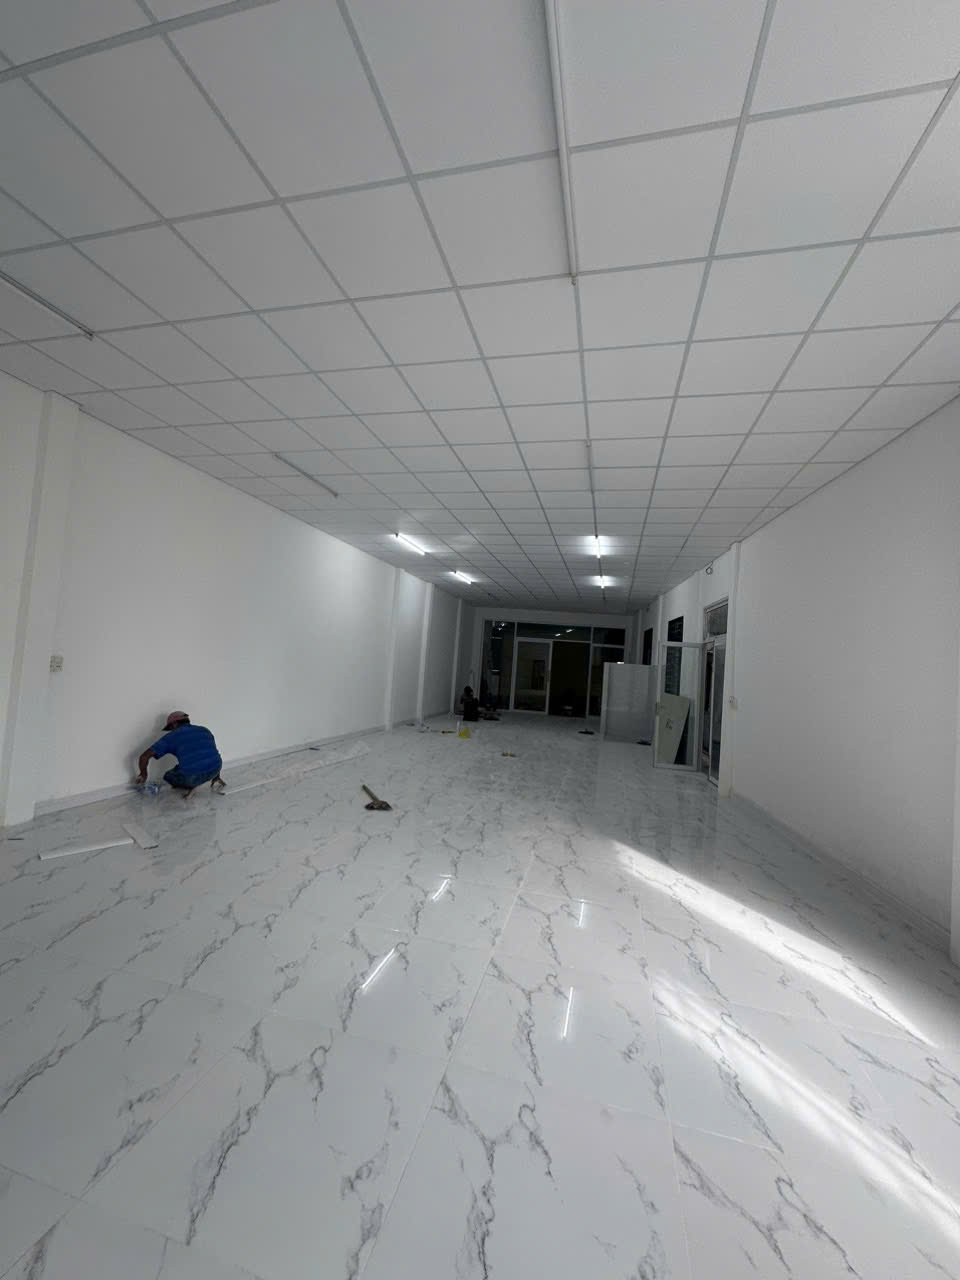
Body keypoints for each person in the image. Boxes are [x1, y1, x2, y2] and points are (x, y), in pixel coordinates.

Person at [136, 711, 224, 797]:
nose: (171, 730)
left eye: (170, 728)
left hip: (191, 778)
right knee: (179, 767)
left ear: (174, 724)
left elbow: (144, 757)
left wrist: (143, 774)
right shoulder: (204, 730)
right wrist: (216, 776)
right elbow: (212, 754)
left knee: (168, 776)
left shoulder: (171, 737)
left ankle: (189, 787)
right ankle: (212, 779)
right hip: (216, 769)